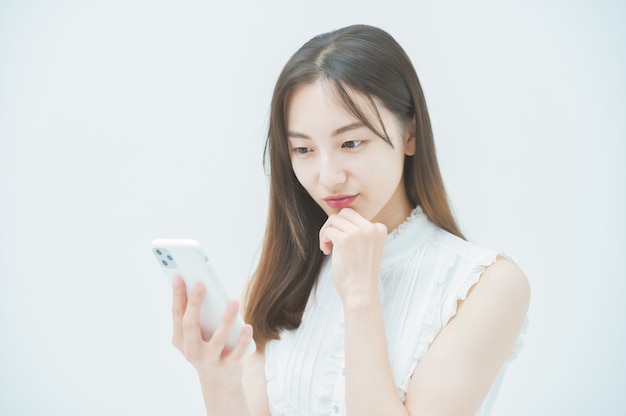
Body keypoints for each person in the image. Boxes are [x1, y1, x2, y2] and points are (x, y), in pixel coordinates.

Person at [170, 24, 530, 416]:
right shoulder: (283, 279)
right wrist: (216, 379)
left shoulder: (484, 285)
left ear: (410, 134)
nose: (328, 176)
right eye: (304, 149)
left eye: (351, 143)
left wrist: (360, 296)